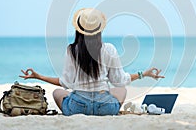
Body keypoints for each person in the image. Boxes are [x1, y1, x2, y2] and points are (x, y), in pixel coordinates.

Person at [20, 8, 165, 116]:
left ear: (78, 30)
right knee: (121, 90)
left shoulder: (72, 50)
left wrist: (38, 76)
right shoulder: (109, 49)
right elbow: (120, 81)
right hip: (105, 107)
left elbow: (66, 83)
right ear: (99, 30)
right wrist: (143, 74)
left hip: (77, 107)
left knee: (58, 92)